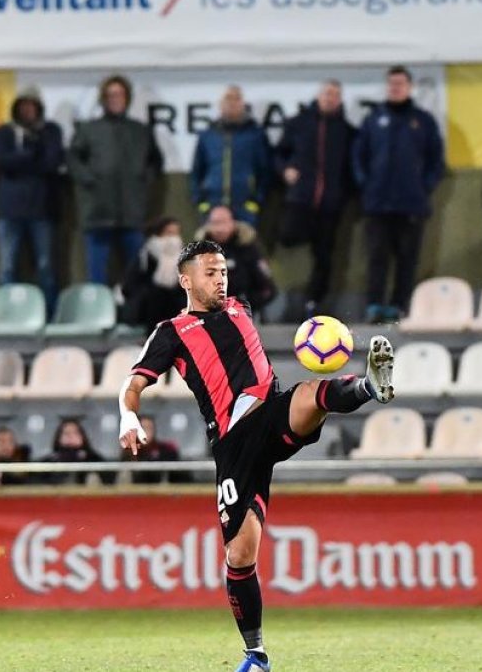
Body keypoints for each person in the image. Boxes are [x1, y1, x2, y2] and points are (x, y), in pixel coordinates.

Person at [119, 239, 395, 672]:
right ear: (185, 280)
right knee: (240, 555)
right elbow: (132, 386)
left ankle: (368, 386)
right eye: (210, 272)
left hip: (270, 411)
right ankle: (257, 655)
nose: (220, 279)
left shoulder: (241, 307)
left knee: (310, 395)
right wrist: (128, 418)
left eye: (223, 270)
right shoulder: (171, 332)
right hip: (232, 443)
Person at [353, 66, 444, 323]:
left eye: (401, 84)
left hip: (412, 205)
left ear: (409, 87)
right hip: (378, 204)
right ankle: (374, 305)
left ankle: (399, 306)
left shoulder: (423, 121)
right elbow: (358, 157)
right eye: (392, 83)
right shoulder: (373, 120)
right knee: (376, 258)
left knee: (407, 259)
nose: (396, 88)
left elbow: (436, 160)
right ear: (387, 87)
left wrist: (423, 187)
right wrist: (367, 185)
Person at [68, 75, 163, 285]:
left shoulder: (140, 130)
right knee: (97, 275)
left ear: (127, 98)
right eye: (110, 95)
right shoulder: (88, 129)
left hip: (132, 213)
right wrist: (89, 180)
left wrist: (142, 182)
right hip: (97, 213)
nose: (115, 99)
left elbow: (155, 161)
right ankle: (99, 313)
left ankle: (134, 314)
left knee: (136, 274)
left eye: (119, 94)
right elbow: (73, 158)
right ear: (103, 98)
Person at [275, 80, 356, 314]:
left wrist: (344, 192)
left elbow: (352, 167)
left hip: (330, 204)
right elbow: (279, 154)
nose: (330, 98)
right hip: (300, 197)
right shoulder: (298, 124)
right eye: (326, 93)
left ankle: (314, 301)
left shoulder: (347, 131)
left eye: (334, 95)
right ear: (318, 96)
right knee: (287, 235)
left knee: (324, 255)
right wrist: (285, 169)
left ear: (339, 100)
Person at [0, 89, 64, 306]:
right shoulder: (3, 132)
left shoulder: (51, 131)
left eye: (32, 106)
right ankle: (5, 313)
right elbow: (0, 163)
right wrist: (32, 155)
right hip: (9, 210)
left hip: (42, 210)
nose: (28, 110)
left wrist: (20, 160)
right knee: (7, 267)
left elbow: (52, 162)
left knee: (45, 267)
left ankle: (49, 315)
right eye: (23, 105)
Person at [190, 85, 273, 226]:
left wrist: (255, 203)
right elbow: (197, 171)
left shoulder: (256, 135)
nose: (232, 103)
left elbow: (265, 171)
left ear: (243, 104)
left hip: (244, 209)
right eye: (228, 98)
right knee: (213, 248)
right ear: (220, 104)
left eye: (237, 98)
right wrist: (202, 203)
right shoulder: (207, 135)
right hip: (212, 207)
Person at [197, 206, 276, 311]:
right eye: (215, 223)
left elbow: (267, 287)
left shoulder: (248, 248)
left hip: (242, 310)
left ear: (233, 222)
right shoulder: (198, 250)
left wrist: (245, 306)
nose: (219, 228)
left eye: (224, 222)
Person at [121, 216, 187, 328]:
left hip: (175, 310)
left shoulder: (185, 259)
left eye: (176, 233)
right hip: (148, 311)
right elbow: (129, 287)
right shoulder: (144, 256)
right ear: (158, 234)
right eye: (169, 233)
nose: (174, 239)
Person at [43, 418, 111, 485]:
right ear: (58, 437)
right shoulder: (48, 463)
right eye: (66, 433)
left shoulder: (95, 460)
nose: (70, 436)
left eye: (75, 433)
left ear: (82, 437)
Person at [123, 414, 186, 484]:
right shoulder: (129, 452)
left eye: (150, 428)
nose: (147, 432)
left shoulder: (165, 450)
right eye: (144, 428)